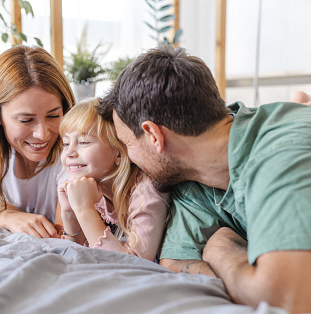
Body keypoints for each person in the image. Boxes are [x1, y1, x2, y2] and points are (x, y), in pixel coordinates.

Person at [98, 45, 311, 314]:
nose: (128, 158)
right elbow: (175, 263)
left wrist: (220, 247)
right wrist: (248, 277)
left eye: (126, 144)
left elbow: (286, 298)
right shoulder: (192, 179)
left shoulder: (281, 152)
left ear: (153, 135)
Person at [0, 45, 75, 239]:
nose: (42, 134)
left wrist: (0, 207)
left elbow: (62, 234)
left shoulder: (72, 150)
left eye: (53, 116)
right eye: (26, 120)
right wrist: (7, 217)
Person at [57, 99, 170, 261]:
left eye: (83, 142)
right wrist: (69, 212)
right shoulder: (91, 183)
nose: (69, 153)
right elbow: (75, 249)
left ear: (118, 151)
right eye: (66, 143)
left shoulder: (146, 190)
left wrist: (85, 210)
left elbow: (134, 262)